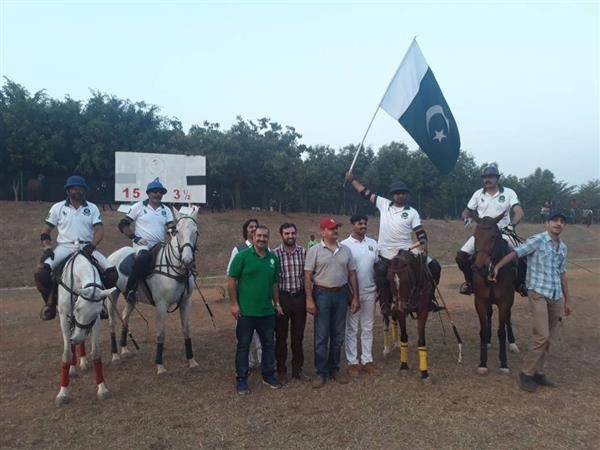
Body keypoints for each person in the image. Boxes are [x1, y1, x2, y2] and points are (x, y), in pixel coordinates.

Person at [491, 211, 571, 392]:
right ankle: (526, 373)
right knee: (541, 335)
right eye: (555, 220)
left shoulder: (563, 247)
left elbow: (562, 274)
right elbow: (515, 254)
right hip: (538, 293)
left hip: (556, 295)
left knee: (549, 338)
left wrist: (568, 301)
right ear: (547, 223)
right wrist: (497, 266)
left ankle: (538, 372)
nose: (558, 224)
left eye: (562, 221)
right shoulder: (538, 240)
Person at [345, 172, 442, 315]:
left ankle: (429, 298)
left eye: (402, 193)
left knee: (434, 266)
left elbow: (419, 231)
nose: (400, 196)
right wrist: (352, 180)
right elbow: (365, 193)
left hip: (407, 250)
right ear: (392, 195)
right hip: (385, 251)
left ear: (406, 195)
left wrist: (423, 239)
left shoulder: (412, 212)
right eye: (397, 193)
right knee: (380, 271)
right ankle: (385, 303)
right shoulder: (383, 204)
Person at [34, 175, 118, 320]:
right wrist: (47, 248)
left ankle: (100, 303)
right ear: (68, 191)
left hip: (86, 246)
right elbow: (45, 231)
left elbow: (99, 230)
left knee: (112, 273)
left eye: (80, 188)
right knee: (41, 274)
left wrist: (92, 246)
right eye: (73, 188)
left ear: (84, 191)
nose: (77, 191)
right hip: (65, 247)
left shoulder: (92, 208)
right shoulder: (58, 208)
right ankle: (50, 303)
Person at [228, 225, 284, 395]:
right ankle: (241, 379)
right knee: (243, 346)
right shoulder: (242, 256)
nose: (261, 239)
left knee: (268, 344)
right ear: (253, 236)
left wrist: (277, 303)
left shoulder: (273, 258)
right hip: (246, 312)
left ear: (269, 238)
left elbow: (275, 283)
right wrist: (234, 304)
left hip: (266, 312)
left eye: (265, 236)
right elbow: (231, 280)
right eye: (258, 236)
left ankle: (268, 375)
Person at [305, 217, 360, 388]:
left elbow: (351, 274)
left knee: (338, 335)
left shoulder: (345, 250)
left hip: (341, 294)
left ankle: (334, 369)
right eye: (331, 229)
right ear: (322, 232)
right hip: (322, 294)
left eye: (336, 228)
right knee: (321, 336)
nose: (335, 231)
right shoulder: (314, 250)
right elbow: (307, 275)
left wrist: (355, 297)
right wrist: (309, 299)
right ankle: (321, 372)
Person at [455, 164, 525, 295]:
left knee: (522, 255)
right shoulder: (477, 194)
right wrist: (466, 218)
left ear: (497, 178)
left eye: (491, 177)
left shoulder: (509, 193)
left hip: (504, 232)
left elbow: (519, 212)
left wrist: (512, 225)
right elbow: (467, 211)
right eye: (485, 177)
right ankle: (470, 284)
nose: (487, 179)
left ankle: (520, 284)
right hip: (483, 234)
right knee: (461, 257)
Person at [117, 178, 175, 303]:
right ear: (148, 193)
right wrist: (135, 238)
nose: (157, 194)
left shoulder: (166, 210)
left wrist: (175, 238)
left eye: (160, 192)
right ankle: (130, 290)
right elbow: (123, 224)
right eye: (154, 192)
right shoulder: (138, 206)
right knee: (143, 258)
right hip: (142, 245)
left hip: (160, 245)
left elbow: (171, 228)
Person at [341, 214, 380, 376]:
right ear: (352, 225)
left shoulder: (373, 243)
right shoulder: (344, 245)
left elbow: (378, 267)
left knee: (367, 327)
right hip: (351, 295)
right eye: (359, 223)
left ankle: (367, 360)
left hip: (370, 292)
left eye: (365, 223)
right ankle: (352, 362)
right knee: (351, 328)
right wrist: (351, 296)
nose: (363, 226)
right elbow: (344, 272)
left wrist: (378, 289)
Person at [274, 223, 309, 383]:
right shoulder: (274, 254)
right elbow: (273, 281)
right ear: (281, 235)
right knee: (281, 337)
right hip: (283, 298)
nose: (290, 236)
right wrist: (276, 303)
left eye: (293, 233)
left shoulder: (303, 252)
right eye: (287, 233)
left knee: (298, 336)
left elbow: (308, 277)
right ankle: (281, 370)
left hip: (299, 298)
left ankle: (297, 370)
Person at [226, 218, 262, 368]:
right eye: (251, 227)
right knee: (244, 335)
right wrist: (234, 302)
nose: (254, 229)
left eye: (256, 227)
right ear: (246, 230)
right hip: (244, 299)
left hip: (261, 299)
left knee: (262, 334)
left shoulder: (265, 249)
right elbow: (231, 275)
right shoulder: (238, 250)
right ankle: (247, 362)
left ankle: (262, 361)